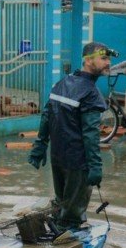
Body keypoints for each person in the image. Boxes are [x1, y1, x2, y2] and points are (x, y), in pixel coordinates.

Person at [28, 42, 115, 233]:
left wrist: (40, 145)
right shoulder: (91, 93)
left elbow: (46, 116)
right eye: (104, 58)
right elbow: (91, 135)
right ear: (88, 60)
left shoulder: (62, 83)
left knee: (61, 205)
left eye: (108, 59)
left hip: (58, 159)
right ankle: (66, 246)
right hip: (77, 163)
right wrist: (95, 166)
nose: (108, 63)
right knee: (72, 215)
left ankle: (56, 232)